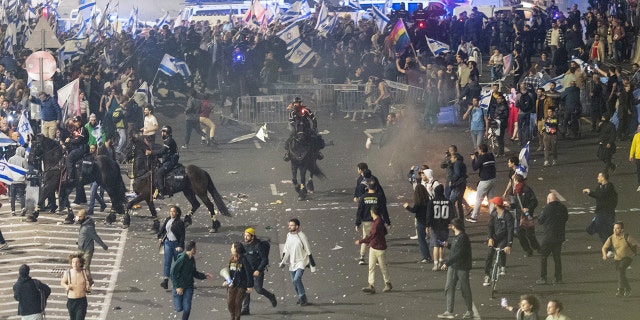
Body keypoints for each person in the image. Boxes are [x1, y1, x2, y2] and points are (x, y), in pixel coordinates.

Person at [437, 219, 473, 319]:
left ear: (454, 226)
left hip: (461, 267)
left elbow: (460, 253)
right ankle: (449, 311)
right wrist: (448, 245)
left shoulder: (463, 238)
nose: (450, 226)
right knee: (449, 287)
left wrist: (447, 263)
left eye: (451, 225)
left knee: (464, 289)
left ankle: (470, 310)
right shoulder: (457, 237)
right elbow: (456, 249)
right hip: (454, 266)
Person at [170, 240, 213, 320]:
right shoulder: (182, 259)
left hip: (189, 286)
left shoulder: (192, 259)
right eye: (195, 248)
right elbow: (173, 273)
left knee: (187, 308)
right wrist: (177, 286)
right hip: (179, 286)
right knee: (179, 308)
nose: (196, 250)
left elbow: (194, 272)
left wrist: (204, 276)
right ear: (192, 249)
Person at [241, 228, 277, 315]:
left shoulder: (258, 245)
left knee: (258, 289)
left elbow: (265, 259)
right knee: (246, 289)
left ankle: (271, 296)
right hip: (248, 271)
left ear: (252, 236)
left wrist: (258, 270)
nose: (245, 237)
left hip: (257, 271)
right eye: (245, 235)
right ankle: (245, 309)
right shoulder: (244, 246)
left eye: (248, 235)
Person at [356, 206, 392, 294]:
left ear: (372, 212)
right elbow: (384, 232)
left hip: (377, 247)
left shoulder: (377, 223)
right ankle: (371, 285)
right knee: (372, 266)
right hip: (376, 246)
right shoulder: (379, 221)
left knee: (381, 267)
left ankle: (387, 283)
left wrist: (361, 241)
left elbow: (372, 236)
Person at [356, 177, 391, 265]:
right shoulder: (379, 197)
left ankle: (362, 257)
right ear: (376, 187)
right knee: (376, 239)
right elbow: (384, 210)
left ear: (368, 187)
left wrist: (357, 223)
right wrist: (387, 221)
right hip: (377, 221)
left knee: (366, 238)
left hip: (366, 221)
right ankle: (376, 259)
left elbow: (360, 210)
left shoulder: (363, 197)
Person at [279, 218, 313, 306]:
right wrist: (283, 261)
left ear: (297, 226)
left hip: (301, 261)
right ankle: (300, 297)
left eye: (292, 225)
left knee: (297, 279)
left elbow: (308, 249)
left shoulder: (302, 236)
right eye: (289, 225)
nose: (289, 227)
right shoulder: (289, 236)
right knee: (294, 282)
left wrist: (311, 262)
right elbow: (287, 249)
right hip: (292, 262)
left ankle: (303, 298)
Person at [536, 192, 568, 285]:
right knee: (557, 258)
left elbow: (540, 221)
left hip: (549, 237)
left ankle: (543, 278)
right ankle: (558, 278)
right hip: (559, 236)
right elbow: (566, 218)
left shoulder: (546, 209)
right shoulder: (563, 208)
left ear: (549, 200)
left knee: (544, 256)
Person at [483, 196, 514, 286]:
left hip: (504, 238)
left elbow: (510, 231)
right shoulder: (493, 214)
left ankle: (502, 266)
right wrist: (490, 238)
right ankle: (487, 275)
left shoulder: (508, 216)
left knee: (501, 250)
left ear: (496, 205)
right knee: (489, 256)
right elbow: (490, 226)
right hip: (494, 238)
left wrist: (509, 245)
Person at [602, 221, 638, 297]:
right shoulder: (611, 238)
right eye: (614, 228)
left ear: (622, 230)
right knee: (621, 274)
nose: (615, 230)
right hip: (617, 258)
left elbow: (637, 244)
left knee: (621, 269)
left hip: (628, 257)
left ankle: (620, 289)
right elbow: (604, 247)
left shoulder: (627, 237)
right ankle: (628, 289)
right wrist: (604, 255)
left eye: (617, 228)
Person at [75, 209, 108, 284]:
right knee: (79, 266)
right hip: (81, 248)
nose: (78, 218)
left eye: (80, 216)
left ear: (85, 217)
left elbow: (95, 237)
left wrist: (103, 245)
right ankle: (84, 281)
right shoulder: (83, 224)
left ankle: (89, 282)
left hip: (87, 249)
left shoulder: (88, 227)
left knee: (85, 267)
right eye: (78, 216)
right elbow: (82, 235)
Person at [583, 172, 618, 243]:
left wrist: (590, 192)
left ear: (603, 178)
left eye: (599, 176)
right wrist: (590, 193)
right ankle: (607, 248)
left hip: (608, 213)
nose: (597, 178)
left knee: (607, 230)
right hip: (600, 212)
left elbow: (601, 195)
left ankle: (609, 248)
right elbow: (598, 195)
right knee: (601, 230)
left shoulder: (609, 187)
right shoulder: (599, 187)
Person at [223, 242, 254, 320]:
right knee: (230, 302)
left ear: (236, 249)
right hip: (232, 285)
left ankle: (237, 318)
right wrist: (226, 280)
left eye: (232, 247)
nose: (231, 249)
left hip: (242, 285)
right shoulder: (232, 260)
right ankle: (232, 316)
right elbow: (229, 271)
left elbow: (249, 273)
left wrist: (250, 286)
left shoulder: (244, 260)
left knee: (237, 302)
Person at [511, 174, 540, 257]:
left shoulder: (527, 190)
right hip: (519, 216)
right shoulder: (516, 190)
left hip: (526, 216)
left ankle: (537, 247)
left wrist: (528, 208)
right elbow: (516, 203)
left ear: (517, 181)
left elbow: (534, 201)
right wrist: (511, 205)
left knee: (530, 234)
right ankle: (528, 250)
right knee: (520, 235)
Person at [146, 125, 179, 199]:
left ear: (166, 133)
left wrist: (151, 152)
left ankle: (162, 192)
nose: (162, 133)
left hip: (171, 160)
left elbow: (162, 151)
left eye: (163, 132)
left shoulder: (169, 140)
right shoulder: (167, 139)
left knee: (159, 173)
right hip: (168, 158)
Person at [403, 183, 432, 264]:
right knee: (427, 240)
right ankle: (430, 256)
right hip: (427, 222)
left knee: (421, 240)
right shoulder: (428, 201)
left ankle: (426, 257)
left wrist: (407, 207)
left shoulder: (418, 203)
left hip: (420, 222)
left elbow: (414, 210)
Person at [467, 143, 497, 223]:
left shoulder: (481, 158)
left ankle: (474, 217)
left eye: (478, 149)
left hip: (485, 181)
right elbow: (484, 161)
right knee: (491, 199)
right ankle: (493, 217)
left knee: (478, 199)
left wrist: (473, 159)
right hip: (493, 179)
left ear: (480, 150)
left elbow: (474, 168)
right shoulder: (491, 156)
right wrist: (478, 156)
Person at [159, 205, 186, 290]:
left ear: (177, 213)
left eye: (173, 211)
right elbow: (163, 230)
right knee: (167, 262)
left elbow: (182, 235)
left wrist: (180, 246)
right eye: (170, 211)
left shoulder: (180, 222)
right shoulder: (168, 220)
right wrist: (161, 237)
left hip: (176, 244)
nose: (171, 213)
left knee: (178, 264)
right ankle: (165, 281)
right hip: (168, 243)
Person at [427, 184, 452, 271]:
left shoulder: (432, 202)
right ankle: (441, 260)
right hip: (445, 227)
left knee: (436, 245)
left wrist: (427, 225)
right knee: (442, 244)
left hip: (435, 227)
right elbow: (452, 214)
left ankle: (436, 264)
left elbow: (429, 215)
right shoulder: (448, 202)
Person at [61, 253, 91, 320]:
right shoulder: (68, 273)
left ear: (80, 263)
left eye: (77, 262)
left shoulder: (85, 272)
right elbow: (62, 282)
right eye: (73, 262)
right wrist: (66, 286)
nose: (75, 264)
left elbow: (90, 281)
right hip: (71, 301)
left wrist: (88, 285)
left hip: (81, 300)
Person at [64, 116, 90, 183]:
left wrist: (70, 140)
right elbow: (71, 138)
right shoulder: (74, 130)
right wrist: (66, 142)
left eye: (77, 122)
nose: (76, 123)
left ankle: (71, 177)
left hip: (82, 148)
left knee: (69, 158)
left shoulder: (83, 129)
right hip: (74, 148)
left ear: (80, 122)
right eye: (75, 122)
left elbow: (79, 140)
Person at [8, 146, 28, 216]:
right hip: (21, 181)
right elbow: (26, 170)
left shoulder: (10, 159)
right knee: (21, 195)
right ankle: (23, 208)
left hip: (12, 181)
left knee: (12, 196)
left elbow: (8, 169)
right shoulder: (23, 160)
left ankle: (13, 210)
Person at [629, 124, 640, 192]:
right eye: (638, 127)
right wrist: (631, 155)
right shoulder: (636, 136)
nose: (639, 129)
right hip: (638, 157)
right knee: (639, 171)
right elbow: (633, 146)